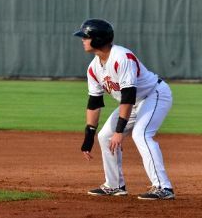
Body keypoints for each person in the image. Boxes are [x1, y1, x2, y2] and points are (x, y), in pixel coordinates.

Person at [73, 18, 175, 200]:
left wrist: (120, 131)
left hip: (154, 94)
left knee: (141, 134)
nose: (82, 40)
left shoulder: (121, 57)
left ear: (97, 39)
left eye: (85, 36)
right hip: (134, 102)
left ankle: (163, 187)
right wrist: (88, 137)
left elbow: (128, 95)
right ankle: (114, 185)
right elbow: (94, 103)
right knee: (104, 136)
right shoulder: (94, 68)